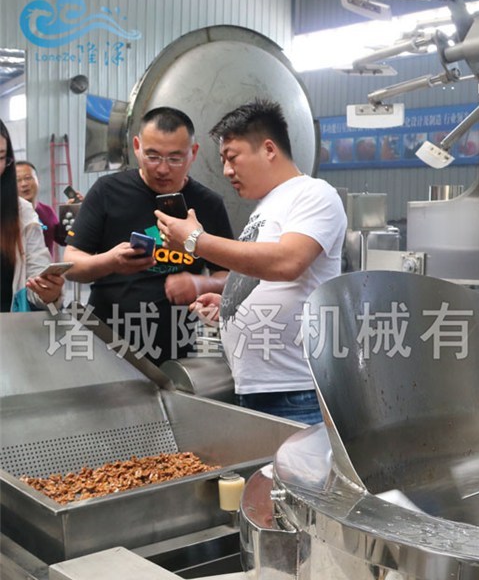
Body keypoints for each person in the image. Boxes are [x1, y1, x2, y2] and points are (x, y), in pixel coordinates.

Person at [155, 98, 347, 424]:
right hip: (258, 388)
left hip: (296, 391)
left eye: (232, 158)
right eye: (223, 161)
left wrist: (195, 240)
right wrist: (231, 303)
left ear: (269, 149)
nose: (227, 171)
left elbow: (288, 262)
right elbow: (262, 273)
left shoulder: (314, 194)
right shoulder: (265, 207)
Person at [63, 106, 234, 363]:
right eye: (152, 156)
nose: (163, 169)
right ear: (136, 147)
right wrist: (110, 261)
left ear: (193, 153)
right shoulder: (107, 191)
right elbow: (71, 263)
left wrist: (200, 284)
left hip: (174, 346)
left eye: (175, 158)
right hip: (106, 341)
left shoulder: (209, 204)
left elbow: (228, 274)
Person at [0, 120, 64, 311]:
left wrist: (48, 293)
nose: (25, 184)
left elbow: (35, 278)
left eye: (1, 157)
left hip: (7, 326)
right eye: (20, 179)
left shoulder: (23, 212)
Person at [15, 160, 66, 259]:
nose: (24, 184)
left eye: (28, 178)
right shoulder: (7, 215)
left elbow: (65, 239)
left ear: (38, 180)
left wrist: (74, 211)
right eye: (17, 180)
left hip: (44, 268)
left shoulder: (47, 211)